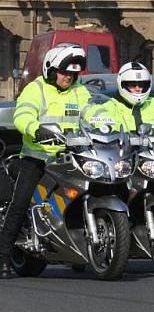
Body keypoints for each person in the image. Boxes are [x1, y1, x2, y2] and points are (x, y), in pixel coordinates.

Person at [0, 44, 92, 279]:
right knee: (20, 202)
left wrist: (104, 123)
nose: (68, 78)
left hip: (70, 156)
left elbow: (92, 112)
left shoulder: (79, 91)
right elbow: (22, 116)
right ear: (51, 70)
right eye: (64, 73)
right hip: (37, 157)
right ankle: (3, 256)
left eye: (73, 74)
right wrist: (36, 129)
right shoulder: (36, 89)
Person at [97, 62, 154, 131]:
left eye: (141, 85)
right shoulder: (111, 106)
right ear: (122, 85)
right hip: (122, 144)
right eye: (132, 85)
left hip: (152, 144)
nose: (137, 88)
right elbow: (103, 126)